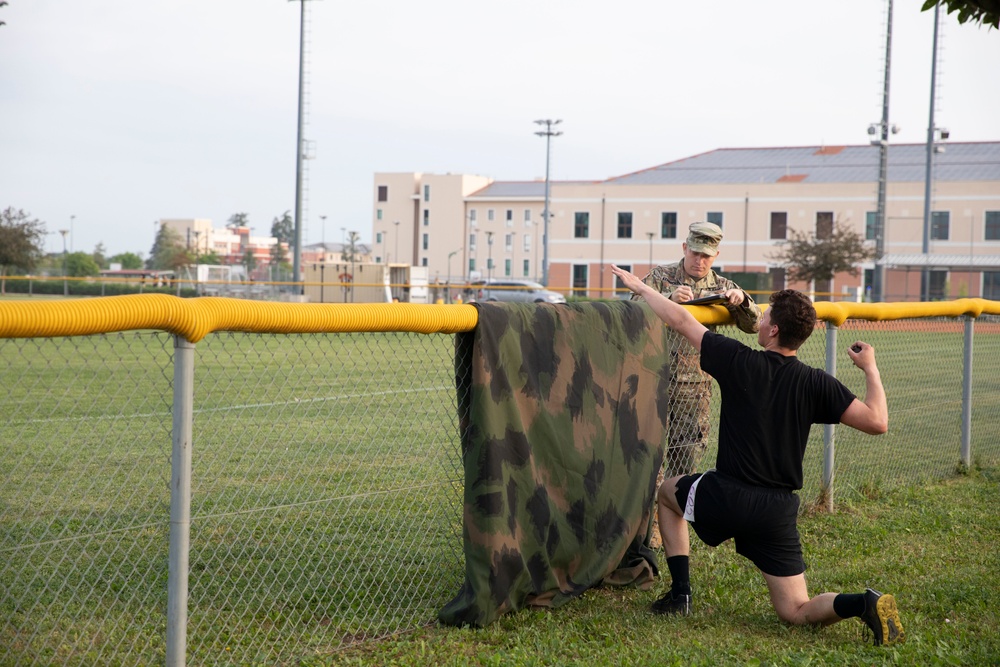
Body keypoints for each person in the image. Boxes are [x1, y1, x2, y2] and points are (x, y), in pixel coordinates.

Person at [611, 264, 905, 647]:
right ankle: (863, 602)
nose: (760, 318)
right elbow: (877, 422)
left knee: (668, 494)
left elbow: (682, 321)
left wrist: (641, 288)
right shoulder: (815, 382)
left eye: (764, 315)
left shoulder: (739, 361)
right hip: (775, 512)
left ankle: (680, 593)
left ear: (774, 330)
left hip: (726, 495)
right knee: (796, 611)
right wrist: (871, 369)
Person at [630, 222, 761, 478]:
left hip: (694, 387)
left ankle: (674, 515)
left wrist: (741, 300)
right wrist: (668, 298)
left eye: (706, 256)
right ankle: (649, 518)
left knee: (686, 459)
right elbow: (631, 311)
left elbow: (754, 325)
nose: (699, 261)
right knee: (646, 456)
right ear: (684, 248)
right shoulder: (660, 277)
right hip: (653, 379)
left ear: (716, 257)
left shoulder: (723, 287)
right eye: (695, 253)